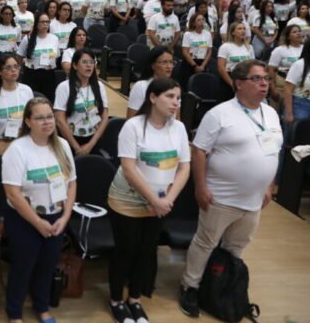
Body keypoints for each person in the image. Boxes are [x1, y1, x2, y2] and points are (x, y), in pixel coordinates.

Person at [179, 60, 281, 318]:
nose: (264, 84)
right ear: (239, 84)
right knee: (205, 242)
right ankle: (190, 286)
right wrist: (200, 187)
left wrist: (269, 185)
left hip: (254, 199)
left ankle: (221, 285)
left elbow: (273, 151)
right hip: (221, 196)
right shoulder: (220, 114)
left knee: (236, 246)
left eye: (266, 79)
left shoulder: (270, 113)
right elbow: (199, 151)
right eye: (256, 79)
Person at [108, 78, 190, 323]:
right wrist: (155, 200)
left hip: (161, 202)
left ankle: (135, 299)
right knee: (126, 251)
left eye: (178, 98)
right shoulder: (133, 126)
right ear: (153, 98)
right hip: (128, 200)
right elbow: (129, 168)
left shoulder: (179, 128)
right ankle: (116, 300)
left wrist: (168, 199)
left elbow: (184, 168)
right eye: (170, 96)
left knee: (146, 251)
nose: (175, 103)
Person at [2, 97, 76, 323]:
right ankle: (14, 313)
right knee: (23, 267)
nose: (47, 122)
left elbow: (72, 183)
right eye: (40, 118)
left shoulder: (62, 145)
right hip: (25, 219)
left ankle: (41, 307)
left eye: (50, 116)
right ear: (28, 121)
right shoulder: (17, 150)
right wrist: (37, 222)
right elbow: (12, 193)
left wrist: (65, 216)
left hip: (56, 217)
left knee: (47, 265)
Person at [54, 49, 109, 155]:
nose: (89, 66)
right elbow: (60, 121)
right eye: (84, 62)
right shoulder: (64, 87)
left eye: (91, 62)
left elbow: (105, 117)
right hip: (71, 140)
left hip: (93, 139)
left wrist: (90, 145)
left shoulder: (99, 86)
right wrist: (77, 148)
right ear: (75, 65)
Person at [0, 55, 34, 157]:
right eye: (8, 67)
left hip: (21, 144)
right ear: (0, 72)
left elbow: (32, 119)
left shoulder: (26, 91)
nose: (13, 70)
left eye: (16, 66)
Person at [18, 13, 59, 98]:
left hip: (48, 74)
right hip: (32, 74)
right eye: (42, 22)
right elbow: (19, 56)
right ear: (36, 23)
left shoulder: (54, 39)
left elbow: (56, 56)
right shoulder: (28, 38)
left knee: (48, 100)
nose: (45, 24)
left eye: (47, 22)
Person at [127, 47, 175, 118]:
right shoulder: (141, 86)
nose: (169, 66)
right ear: (153, 65)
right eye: (164, 62)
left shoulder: (175, 87)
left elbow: (177, 119)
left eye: (171, 62)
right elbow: (131, 119)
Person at [217, 22, 255, 99]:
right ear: (233, 32)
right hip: (229, 78)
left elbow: (253, 65)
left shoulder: (249, 47)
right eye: (239, 29)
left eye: (244, 29)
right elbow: (221, 68)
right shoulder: (225, 47)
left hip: (245, 78)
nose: (243, 31)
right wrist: (231, 83)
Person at [267, 24, 303, 103]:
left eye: (299, 31)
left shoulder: (305, 49)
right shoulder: (279, 50)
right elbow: (271, 69)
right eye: (294, 32)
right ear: (288, 36)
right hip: (283, 84)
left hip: (301, 87)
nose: (298, 33)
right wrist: (273, 88)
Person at [180, 13, 214, 91]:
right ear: (193, 23)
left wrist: (202, 66)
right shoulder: (188, 34)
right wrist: (194, 66)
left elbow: (209, 51)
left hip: (203, 62)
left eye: (203, 19)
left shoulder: (207, 34)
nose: (201, 21)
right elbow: (185, 52)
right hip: (190, 63)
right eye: (198, 20)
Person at [284, 40, 310, 126]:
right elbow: (288, 89)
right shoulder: (299, 64)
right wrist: (289, 113)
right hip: (300, 104)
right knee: (297, 132)